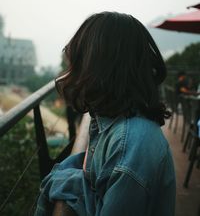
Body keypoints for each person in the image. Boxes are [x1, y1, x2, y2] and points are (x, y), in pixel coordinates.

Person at [34, 12, 176, 216]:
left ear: (98, 68)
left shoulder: (130, 146)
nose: (71, 71)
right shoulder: (112, 120)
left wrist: (62, 181)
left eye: (77, 62)